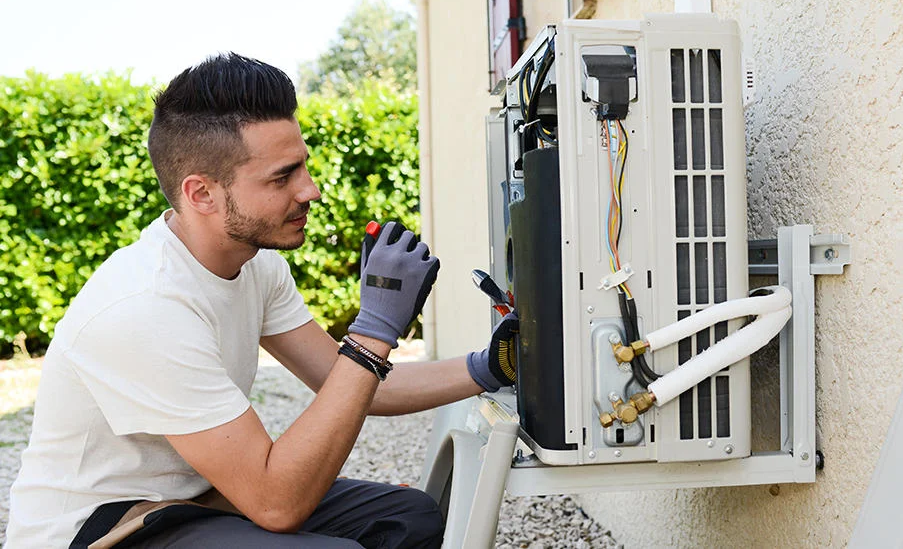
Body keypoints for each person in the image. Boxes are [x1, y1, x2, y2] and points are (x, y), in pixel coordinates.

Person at [5, 53, 518, 548]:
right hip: (104, 528)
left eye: (303, 167)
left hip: (199, 500)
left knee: (409, 518)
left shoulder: (256, 264)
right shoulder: (145, 308)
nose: (311, 191)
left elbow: (362, 387)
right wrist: (373, 329)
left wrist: (492, 366)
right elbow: (277, 503)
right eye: (282, 176)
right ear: (201, 194)